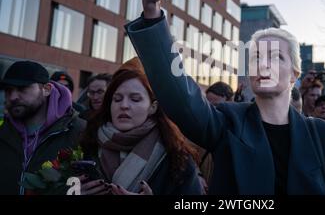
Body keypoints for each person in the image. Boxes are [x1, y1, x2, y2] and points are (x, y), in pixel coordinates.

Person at [124, 0, 325, 195]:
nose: (264, 65)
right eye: (256, 57)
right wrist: (151, 8)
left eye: (276, 57)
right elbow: (181, 97)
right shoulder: (227, 123)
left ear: (294, 75)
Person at [79, 57, 202, 195]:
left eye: (135, 99)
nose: (124, 105)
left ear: (153, 107)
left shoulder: (176, 155)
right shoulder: (86, 143)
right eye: (117, 99)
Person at [0, 61, 85, 194]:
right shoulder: (3, 131)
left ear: (46, 89)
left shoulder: (79, 132)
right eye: (8, 90)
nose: (13, 97)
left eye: (22, 89)